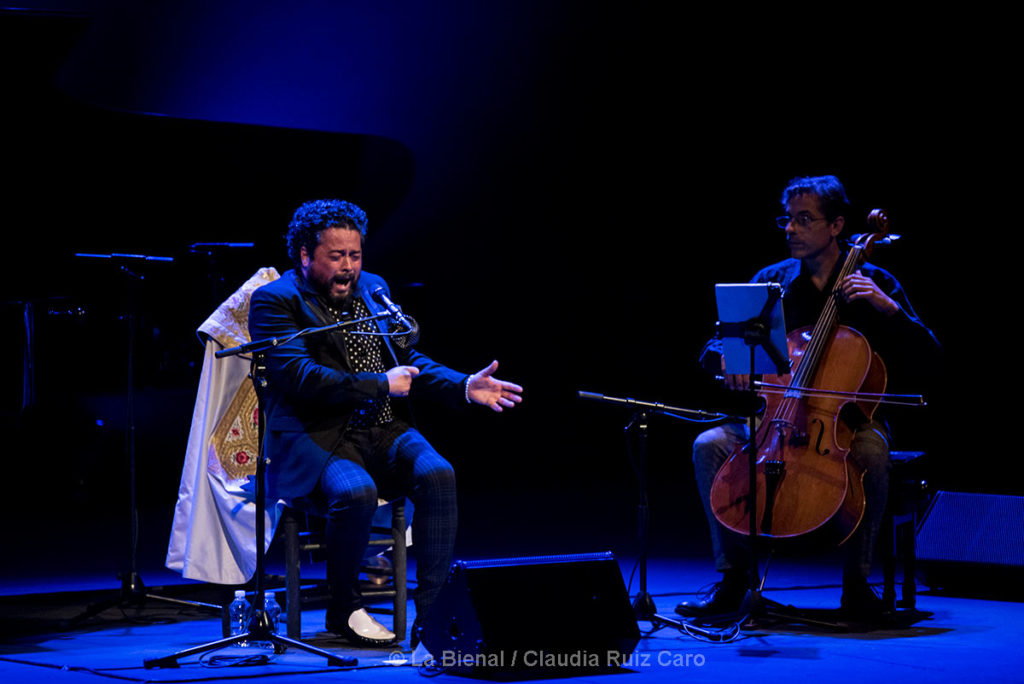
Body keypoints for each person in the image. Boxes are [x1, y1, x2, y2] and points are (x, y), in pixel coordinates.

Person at [248, 199, 523, 646]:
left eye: (355, 256)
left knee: (439, 473)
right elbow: (300, 377)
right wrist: (379, 384)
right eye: (336, 256)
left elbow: (406, 359)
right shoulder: (276, 301)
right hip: (319, 439)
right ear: (304, 254)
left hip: (383, 429)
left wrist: (462, 385)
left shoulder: (373, 289)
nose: (349, 267)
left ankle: (433, 615)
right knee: (356, 491)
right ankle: (344, 608)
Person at [677, 175, 940, 622]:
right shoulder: (771, 282)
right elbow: (713, 346)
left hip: (846, 423)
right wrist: (729, 359)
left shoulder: (873, 280)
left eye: (804, 220)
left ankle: (857, 587)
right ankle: (733, 580)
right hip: (776, 419)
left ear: (837, 226)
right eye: (788, 220)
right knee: (710, 444)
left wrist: (889, 309)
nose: (790, 229)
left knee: (874, 450)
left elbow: (930, 356)